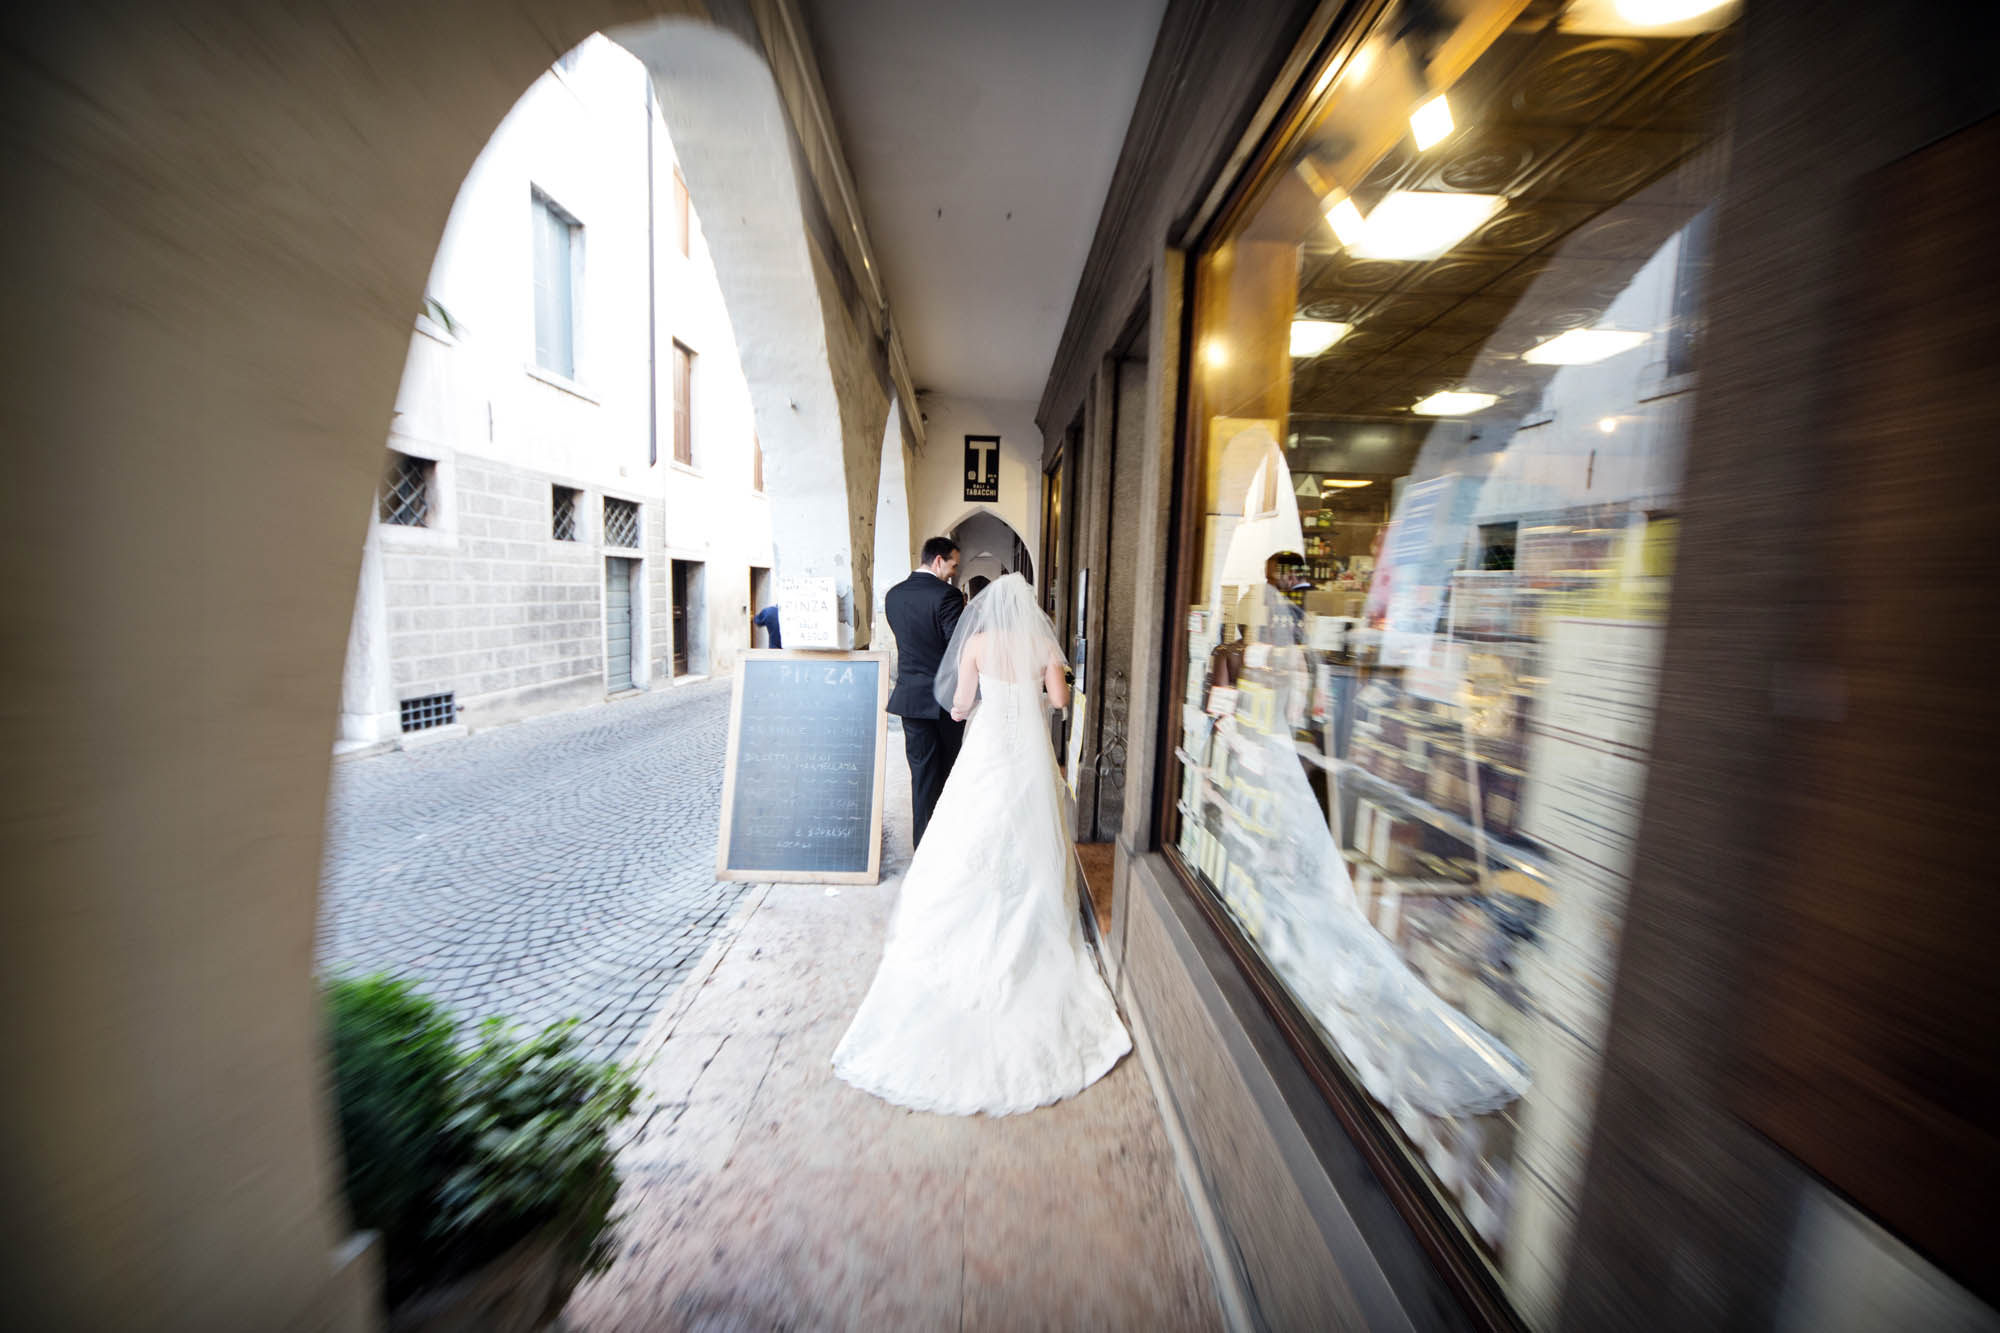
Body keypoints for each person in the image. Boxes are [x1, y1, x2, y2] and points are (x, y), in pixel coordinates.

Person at [833, 573, 1130, 1115]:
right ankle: (1028, 911)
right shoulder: (1042, 644)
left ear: (985, 609)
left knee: (975, 825)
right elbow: (1060, 700)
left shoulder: (973, 643)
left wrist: (975, 706)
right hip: (1030, 752)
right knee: (1030, 829)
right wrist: (1039, 688)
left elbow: (960, 705)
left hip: (989, 746)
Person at [883, 536, 965, 848]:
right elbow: (956, 647)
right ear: (938, 560)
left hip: (910, 701)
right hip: (944, 702)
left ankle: (922, 847)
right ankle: (940, 847)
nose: (954, 572)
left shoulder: (894, 596)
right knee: (946, 775)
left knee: (921, 776)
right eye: (953, 565)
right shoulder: (947, 596)